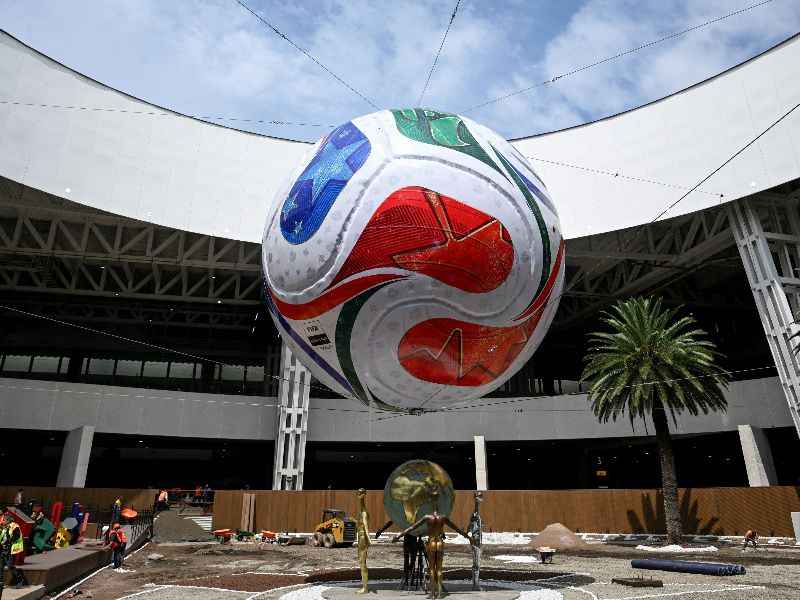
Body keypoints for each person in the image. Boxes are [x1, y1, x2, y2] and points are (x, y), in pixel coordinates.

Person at [0, 512, 28, 588]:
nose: (2, 521)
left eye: (3, 520)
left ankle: (20, 580)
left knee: (10, 566)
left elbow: (16, 536)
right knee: (0, 566)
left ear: (8, 520)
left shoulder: (15, 526)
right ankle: (1, 582)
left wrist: (8, 541)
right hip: (3, 549)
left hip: (10, 550)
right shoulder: (4, 527)